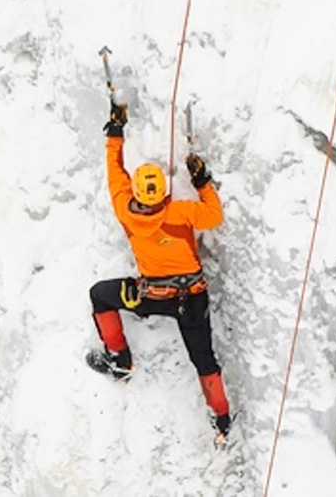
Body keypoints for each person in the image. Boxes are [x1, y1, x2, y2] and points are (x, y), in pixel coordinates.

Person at [87, 100, 232, 444]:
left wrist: (116, 134)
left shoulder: (126, 209)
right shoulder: (180, 213)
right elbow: (213, 216)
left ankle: (120, 359)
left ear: (137, 191)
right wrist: (201, 181)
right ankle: (221, 418)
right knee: (203, 358)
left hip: (151, 296)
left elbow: (114, 173)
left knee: (100, 295)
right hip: (191, 299)